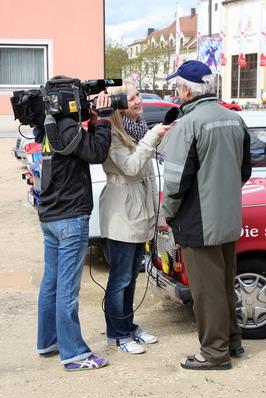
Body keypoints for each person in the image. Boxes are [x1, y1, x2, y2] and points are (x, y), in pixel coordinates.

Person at [163, 60, 251, 370]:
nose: (176, 92)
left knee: (207, 290)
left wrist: (169, 216)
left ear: (186, 90)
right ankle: (232, 340)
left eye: (177, 87)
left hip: (199, 222)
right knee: (225, 284)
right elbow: (244, 170)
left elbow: (174, 183)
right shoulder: (233, 119)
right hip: (228, 217)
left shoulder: (187, 125)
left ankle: (214, 353)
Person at [37, 77, 112, 372]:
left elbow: (82, 150)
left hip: (51, 216)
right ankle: (74, 353)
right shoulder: (67, 126)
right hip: (70, 216)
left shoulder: (49, 123)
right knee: (67, 288)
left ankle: (48, 341)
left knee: (51, 284)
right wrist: (103, 120)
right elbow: (96, 152)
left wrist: (90, 122)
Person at [99, 78, 170, 354]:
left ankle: (128, 327)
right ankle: (116, 334)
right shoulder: (114, 135)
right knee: (120, 277)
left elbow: (149, 174)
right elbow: (130, 167)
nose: (139, 100)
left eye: (139, 95)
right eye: (132, 98)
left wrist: (156, 212)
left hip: (140, 211)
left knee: (131, 273)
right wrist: (154, 136)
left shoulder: (137, 129)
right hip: (122, 213)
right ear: (118, 106)